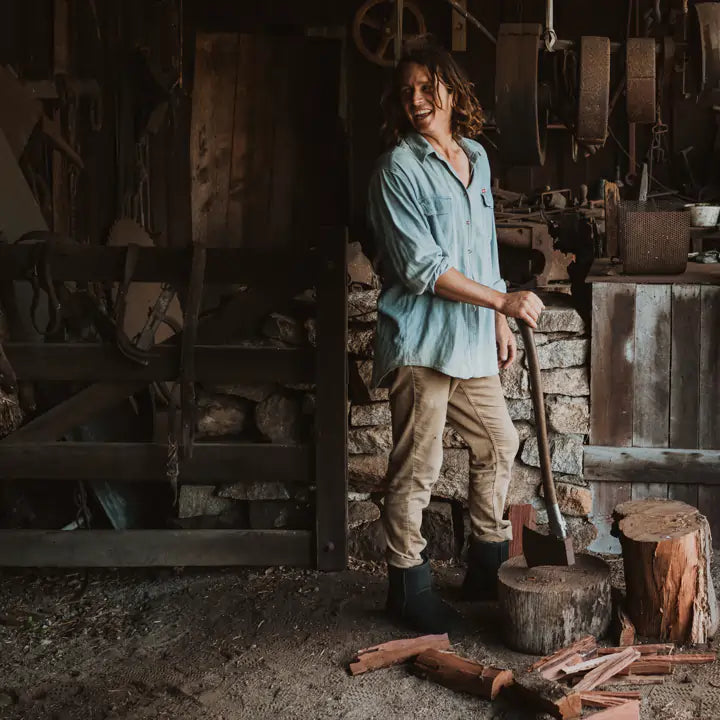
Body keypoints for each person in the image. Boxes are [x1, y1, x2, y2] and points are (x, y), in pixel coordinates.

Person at [367, 38, 544, 634]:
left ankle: (486, 562)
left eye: (427, 85)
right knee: (418, 466)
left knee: (498, 443)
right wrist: (504, 300)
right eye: (407, 90)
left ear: (450, 88)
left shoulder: (475, 155)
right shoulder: (398, 169)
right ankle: (407, 585)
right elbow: (425, 269)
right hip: (420, 340)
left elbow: (483, 248)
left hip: (469, 341)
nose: (417, 98)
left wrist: (496, 320)